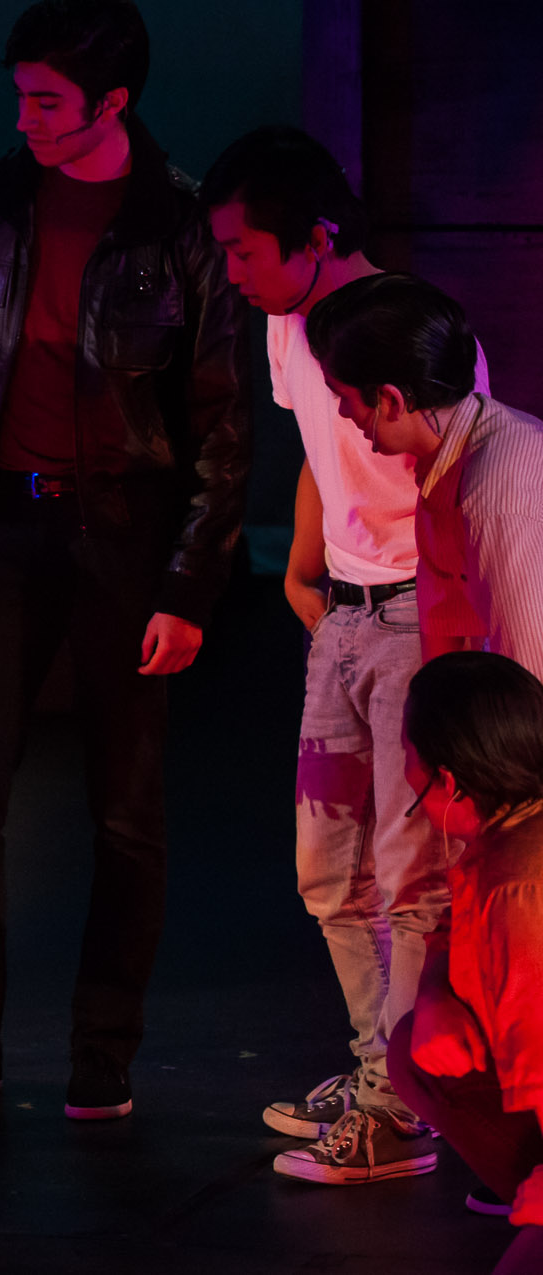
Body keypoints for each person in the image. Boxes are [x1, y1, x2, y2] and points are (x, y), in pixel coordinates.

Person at [0, 0, 251, 1120]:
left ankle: (103, 1049)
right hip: (1, 526)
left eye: (47, 101)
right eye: (21, 96)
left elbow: (222, 421)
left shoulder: (178, 224)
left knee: (125, 805)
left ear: (111, 104)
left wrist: (189, 584)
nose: (25, 118)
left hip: (125, 532)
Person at [201, 126, 492, 1184]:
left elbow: (459, 478)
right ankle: (380, 1066)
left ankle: (403, 1104)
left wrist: (447, 637)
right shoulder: (289, 326)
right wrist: (304, 567)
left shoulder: (411, 333)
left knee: (412, 876)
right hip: (346, 615)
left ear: (316, 237)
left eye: (245, 250)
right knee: (330, 872)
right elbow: (320, 453)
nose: (234, 273)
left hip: (419, 615)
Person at [305, 273, 543, 677]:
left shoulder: (495, 498)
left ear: (391, 399)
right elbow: (445, 646)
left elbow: (529, 679)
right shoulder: (444, 468)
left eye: (343, 397)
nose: (343, 414)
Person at [391, 651, 543, 1269]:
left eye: (407, 752)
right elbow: (450, 930)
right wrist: (434, 997)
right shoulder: (506, 838)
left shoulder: (518, 888)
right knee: (414, 1047)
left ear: (447, 780)